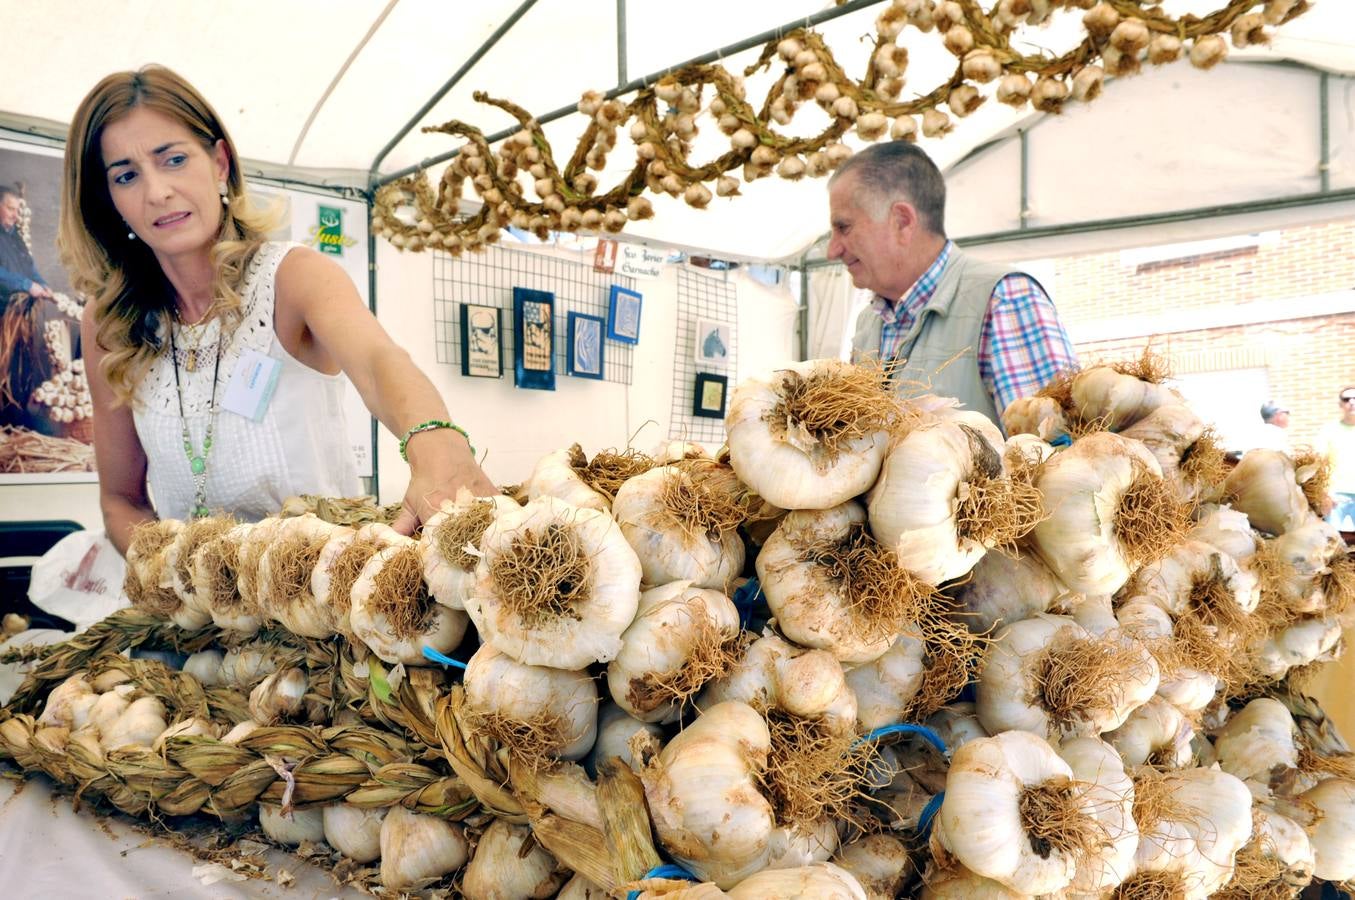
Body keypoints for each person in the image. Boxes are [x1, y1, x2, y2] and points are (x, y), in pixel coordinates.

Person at [61, 65, 496, 555]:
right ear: (109, 199)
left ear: (220, 163)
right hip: (202, 618)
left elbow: (379, 361)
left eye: (175, 159)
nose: (157, 191)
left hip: (329, 603)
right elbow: (120, 502)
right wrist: (176, 569)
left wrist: (436, 443)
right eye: (126, 175)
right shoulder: (110, 325)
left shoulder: (293, 277)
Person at [830, 141, 1076, 424]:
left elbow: (1052, 453)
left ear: (901, 221)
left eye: (843, 228)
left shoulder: (1003, 298)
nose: (832, 250)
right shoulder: (868, 323)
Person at [0, 185, 53, 301]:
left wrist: (41, 284)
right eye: (10, 209)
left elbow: (28, 265)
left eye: (17, 211)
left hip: (17, 312)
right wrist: (27, 285)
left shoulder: (15, 235)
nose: (16, 216)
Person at [1320, 386, 1355, 531]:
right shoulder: (1329, 431)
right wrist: (1325, 492)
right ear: (1341, 404)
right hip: (1336, 496)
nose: (1352, 402)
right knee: (1332, 545)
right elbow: (1319, 463)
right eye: (1347, 399)